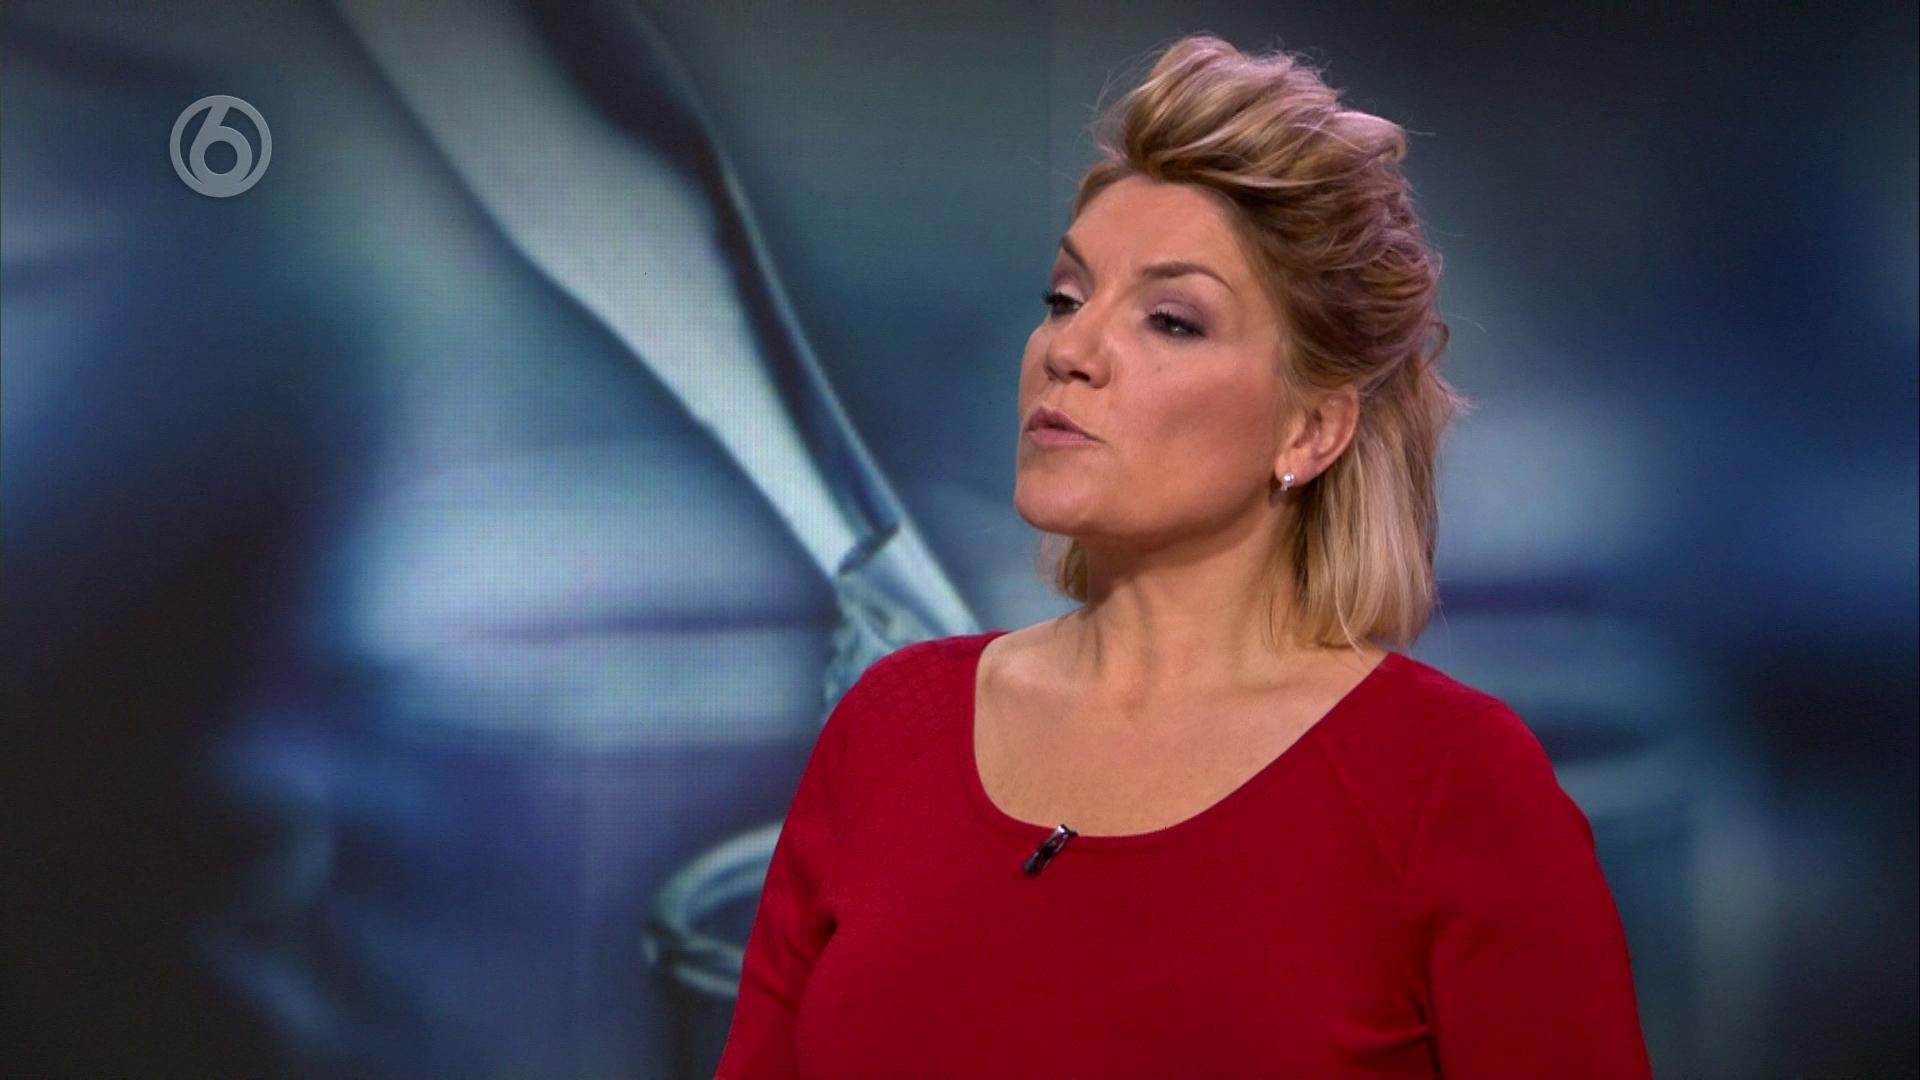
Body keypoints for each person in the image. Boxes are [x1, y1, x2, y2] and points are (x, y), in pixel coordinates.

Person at [715, 33, 1652, 1080]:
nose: (1070, 350)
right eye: (1065, 298)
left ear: (1311, 430)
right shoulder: (889, 730)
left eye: (1171, 320)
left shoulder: (1450, 783)